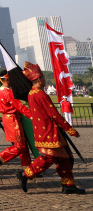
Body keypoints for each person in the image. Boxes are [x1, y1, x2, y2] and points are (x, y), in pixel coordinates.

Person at [16, 62, 84, 195]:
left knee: (65, 158)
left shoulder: (31, 93)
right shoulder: (40, 94)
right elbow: (54, 114)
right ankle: (25, 174)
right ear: (39, 80)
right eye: (43, 78)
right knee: (50, 158)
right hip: (49, 132)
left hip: (46, 131)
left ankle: (68, 185)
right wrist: (70, 130)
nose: (45, 80)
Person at [0, 71, 32, 174]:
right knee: (20, 146)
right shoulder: (8, 92)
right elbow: (19, 106)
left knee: (23, 146)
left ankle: (27, 169)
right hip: (13, 120)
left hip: (8, 118)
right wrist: (32, 116)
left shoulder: (0, 91)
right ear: (7, 80)